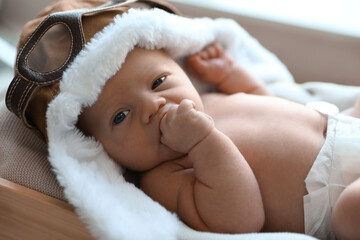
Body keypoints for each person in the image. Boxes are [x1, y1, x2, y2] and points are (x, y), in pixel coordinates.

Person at [77, 42, 360, 240]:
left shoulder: (209, 99)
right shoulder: (161, 178)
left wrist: (230, 75)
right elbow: (239, 221)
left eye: (158, 81)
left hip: (347, 126)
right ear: (100, 146)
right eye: (120, 116)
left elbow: (267, 104)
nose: (153, 105)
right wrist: (202, 141)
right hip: (338, 191)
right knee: (351, 214)